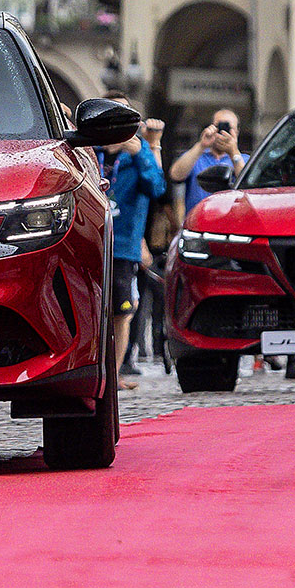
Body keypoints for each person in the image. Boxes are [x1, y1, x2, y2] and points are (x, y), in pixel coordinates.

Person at [105, 103, 166, 390]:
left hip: (123, 248)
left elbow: (158, 188)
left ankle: (114, 373)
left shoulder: (138, 152)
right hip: (90, 244)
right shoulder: (91, 151)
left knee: (122, 311)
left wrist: (140, 152)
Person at [169, 108, 247, 219]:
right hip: (197, 222)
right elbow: (175, 175)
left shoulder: (244, 160)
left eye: (228, 128)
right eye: (219, 127)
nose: (223, 133)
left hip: (232, 223)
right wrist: (202, 145)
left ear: (237, 132)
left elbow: (248, 186)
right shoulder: (196, 156)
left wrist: (234, 153)